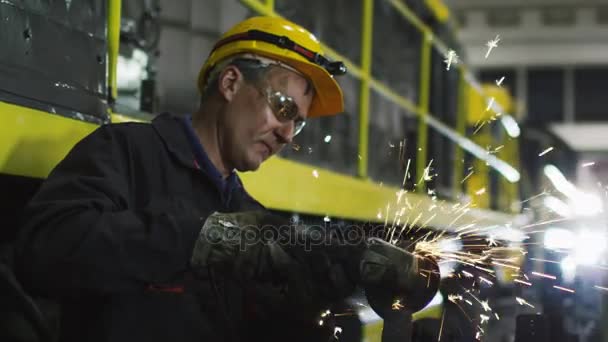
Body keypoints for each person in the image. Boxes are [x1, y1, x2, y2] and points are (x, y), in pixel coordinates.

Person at [15, 16, 352, 342]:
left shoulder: (250, 218)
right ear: (231, 83)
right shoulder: (126, 152)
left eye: (299, 124)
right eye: (283, 108)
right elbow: (43, 250)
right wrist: (202, 239)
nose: (287, 135)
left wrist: (339, 287)